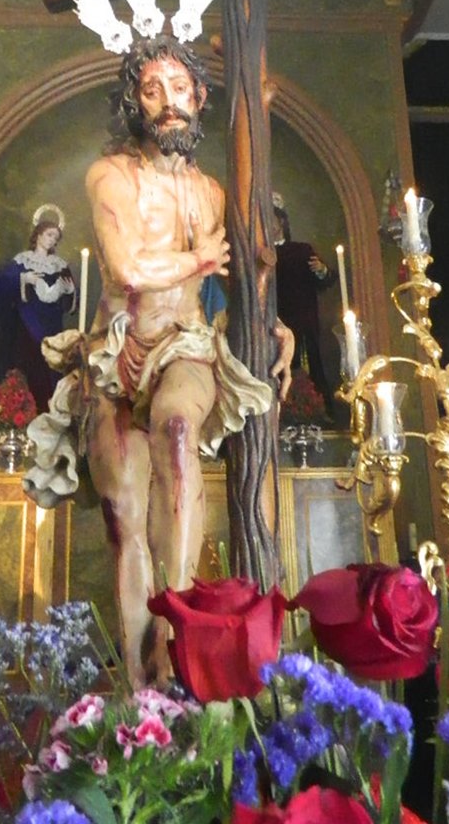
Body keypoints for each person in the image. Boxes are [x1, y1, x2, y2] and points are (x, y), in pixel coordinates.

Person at [24, 36, 292, 687]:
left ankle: (179, 639)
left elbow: (237, 277)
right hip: (116, 352)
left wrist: (269, 322)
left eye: (178, 88)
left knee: (176, 428)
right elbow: (126, 268)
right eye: (151, 90)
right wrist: (197, 259)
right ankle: (141, 682)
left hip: (185, 345)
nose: (167, 102)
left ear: (198, 97)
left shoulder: (212, 192)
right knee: (124, 513)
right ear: (135, 103)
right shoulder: (111, 176)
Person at [0, 206, 76, 412]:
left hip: (52, 327)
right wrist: (23, 278)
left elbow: (68, 302)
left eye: (55, 237)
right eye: (49, 235)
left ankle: (49, 413)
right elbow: (0, 286)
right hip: (26, 324)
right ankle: (21, 415)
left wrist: (70, 292)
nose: (52, 240)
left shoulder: (59, 265)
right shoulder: (23, 261)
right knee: (26, 366)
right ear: (38, 235)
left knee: (49, 368)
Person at [272, 196, 338, 418]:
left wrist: (321, 270)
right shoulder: (260, 253)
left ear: (281, 222)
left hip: (303, 323)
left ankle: (317, 414)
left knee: (309, 370)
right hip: (273, 325)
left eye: (272, 218)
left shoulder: (301, 250)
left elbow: (326, 280)